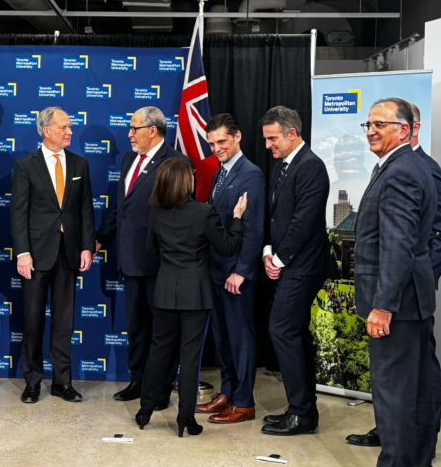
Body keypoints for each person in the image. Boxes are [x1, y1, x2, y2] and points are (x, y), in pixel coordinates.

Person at [347, 101, 441, 458]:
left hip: (395, 306)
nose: (371, 130)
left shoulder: (401, 171)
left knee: (395, 395)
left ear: (405, 129)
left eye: (380, 124)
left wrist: (383, 305)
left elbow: (398, 246)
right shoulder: (403, 166)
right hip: (408, 302)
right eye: (368, 124)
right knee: (415, 390)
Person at [135, 158, 246, 438]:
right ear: (187, 181)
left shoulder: (156, 212)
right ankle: (185, 418)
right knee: (190, 356)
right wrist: (237, 218)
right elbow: (228, 246)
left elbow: (150, 251)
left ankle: (144, 411)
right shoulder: (204, 212)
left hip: (164, 291)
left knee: (159, 352)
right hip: (195, 294)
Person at [94, 106, 189, 407]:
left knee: (162, 330)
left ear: (153, 129)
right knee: (136, 326)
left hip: (160, 263)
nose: (129, 134)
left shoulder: (175, 163)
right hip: (130, 261)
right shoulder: (128, 159)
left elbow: (180, 218)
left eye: (134, 128)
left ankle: (160, 388)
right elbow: (120, 209)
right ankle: (138, 380)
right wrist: (99, 239)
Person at [11, 107, 95, 404]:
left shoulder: (79, 164)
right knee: (32, 321)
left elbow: (85, 210)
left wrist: (87, 246)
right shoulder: (26, 166)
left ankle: (62, 382)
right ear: (46, 130)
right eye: (64, 127)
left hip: (68, 253)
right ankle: (33, 381)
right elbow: (18, 213)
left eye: (70, 126)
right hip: (35, 255)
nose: (70, 131)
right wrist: (22, 252)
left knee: (64, 322)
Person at [260, 106, 329, 436]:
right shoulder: (281, 168)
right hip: (287, 263)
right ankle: (303, 411)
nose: (268, 145)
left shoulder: (312, 166)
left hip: (304, 266)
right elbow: (274, 218)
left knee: (282, 330)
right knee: (294, 334)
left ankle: (301, 411)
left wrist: (279, 259)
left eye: (272, 138)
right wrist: (267, 251)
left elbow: (304, 221)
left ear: (292, 133)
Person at [196, 114, 265, 424]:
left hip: (235, 274)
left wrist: (242, 270)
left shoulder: (251, 174)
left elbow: (253, 228)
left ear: (237, 137)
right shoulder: (218, 174)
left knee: (240, 338)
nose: (216, 148)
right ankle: (227, 392)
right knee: (223, 338)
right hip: (216, 270)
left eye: (221, 141)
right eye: (211, 143)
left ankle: (245, 402)